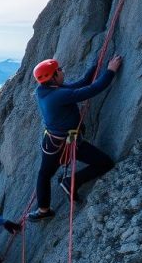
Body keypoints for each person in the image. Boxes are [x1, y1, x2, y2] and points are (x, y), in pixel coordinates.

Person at [27, 55, 122, 221]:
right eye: (59, 70)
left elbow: (82, 83)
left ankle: (44, 211)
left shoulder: (45, 90)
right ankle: (72, 182)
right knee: (105, 163)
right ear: (53, 76)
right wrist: (110, 71)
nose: (62, 71)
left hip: (53, 142)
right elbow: (91, 90)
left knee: (44, 174)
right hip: (66, 143)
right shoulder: (57, 95)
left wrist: (97, 63)